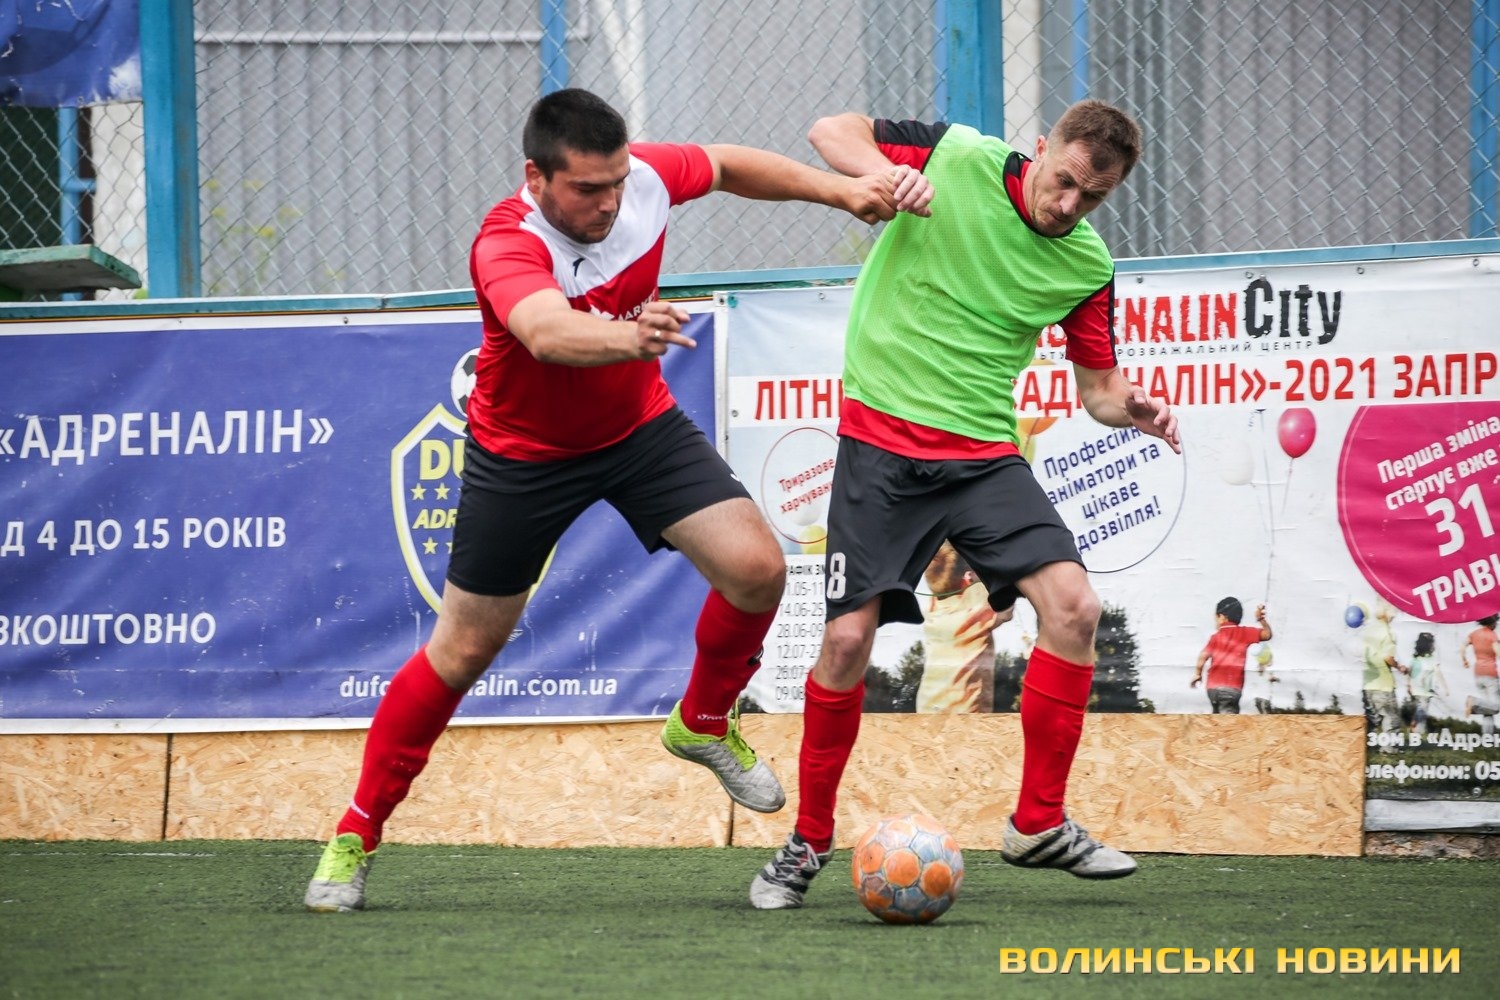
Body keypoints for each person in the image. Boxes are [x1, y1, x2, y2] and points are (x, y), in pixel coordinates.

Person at [304, 88, 903, 912]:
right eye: (587, 188)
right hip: (524, 458)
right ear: (537, 178)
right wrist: (631, 335)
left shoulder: (642, 179)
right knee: (462, 651)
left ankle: (702, 720)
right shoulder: (506, 241)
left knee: (758, 570)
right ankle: (356, 833)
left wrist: (840, 191)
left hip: (637, 431)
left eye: (617, 182)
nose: (610, 202)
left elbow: (727, 164)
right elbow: (546, 332)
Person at [749, 100, 1180, 910]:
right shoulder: (955, 157)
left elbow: (1098, 389)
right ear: (1041, 146)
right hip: (881, 445)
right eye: (1063, 182)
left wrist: (1134, 409)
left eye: (1093, 197)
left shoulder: (1086, 265)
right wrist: (883, 176)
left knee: (1075, 608)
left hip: (982, 456)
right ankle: (807, 840)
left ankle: (1037, 823)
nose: (1069, 206)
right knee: (846, 641)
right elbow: (829, 130)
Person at [916, 541, 1009, 713]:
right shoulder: (976, 608)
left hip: (927, 708)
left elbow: (943, 581)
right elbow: (1006, 607)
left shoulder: (933, 607)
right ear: (968, 578)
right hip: (965, 715)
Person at [1189, 597, 1272, 714]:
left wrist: (1198, 674)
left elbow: (1203, 656)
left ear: (1222, 616)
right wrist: (1261, 619)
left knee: (1216, 720)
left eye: (1216, 618)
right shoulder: (1244, 633)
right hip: (1231, 688)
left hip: (1212, 688)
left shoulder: (1215, 637)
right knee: (1229, 721)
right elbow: (1267, 634)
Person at [1361, 601, 1407, 743]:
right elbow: (1388, 657)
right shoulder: (1388, 632)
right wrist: (1399, 667)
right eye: (1394, 611)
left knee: (1371, 718)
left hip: (1368, 683)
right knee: (1391, 718)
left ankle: (1366, 748)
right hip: (1384, 685)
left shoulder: (1368, 630)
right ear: (1388, 612)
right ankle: (1389, 749)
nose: (1395, 615)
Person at [1462, 613, 1500, 736]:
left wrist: (1464, 660)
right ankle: (1473, 703)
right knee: (1496, 707)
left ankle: (1487, 737)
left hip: (1478, 673)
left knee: (1487, 709)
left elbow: (1463, 646)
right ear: (1492, 621)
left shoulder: (1474, 634)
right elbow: (1497, 651)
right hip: (1490, 674)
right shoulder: (1492, 635)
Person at [1406, 631, 1447, 738]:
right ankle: (1418, 734)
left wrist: (1408, 685)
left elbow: (1410, 672)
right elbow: (1438, 673)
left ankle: (1413, 728)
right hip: (1424, 690)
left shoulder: (1416, 658)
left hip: (1418, 690)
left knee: (1419, 709)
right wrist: (1445, 687)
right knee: (1422, 711)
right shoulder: (1431, 659)